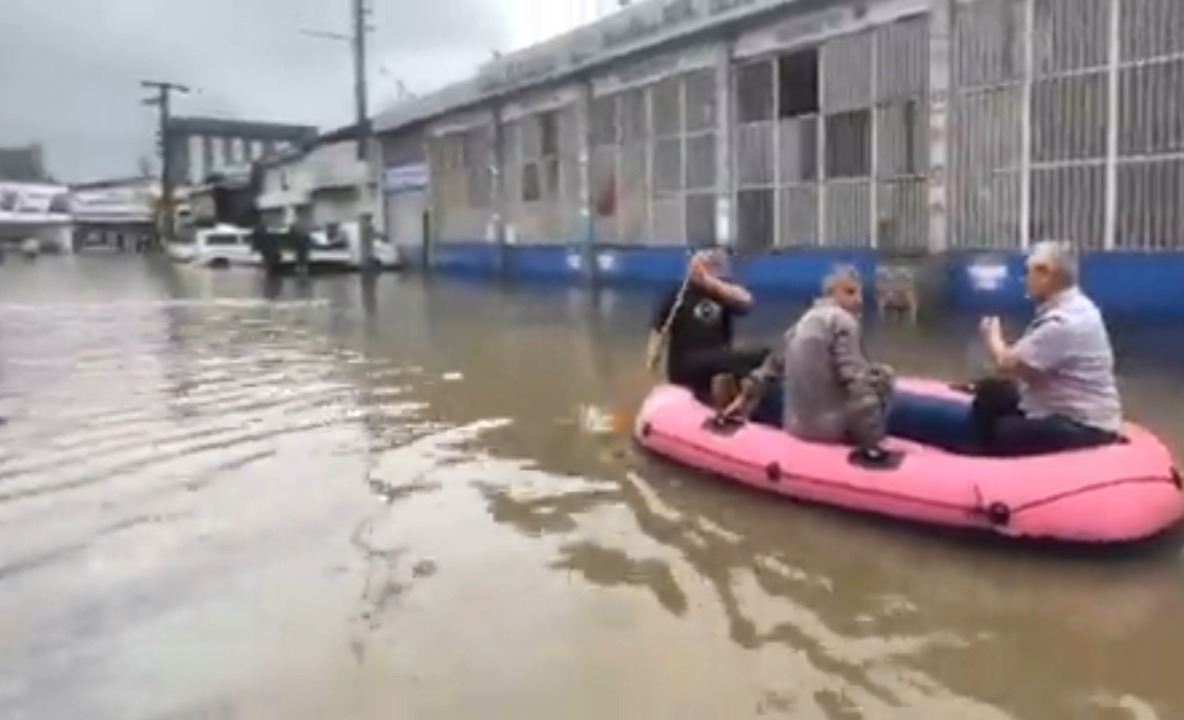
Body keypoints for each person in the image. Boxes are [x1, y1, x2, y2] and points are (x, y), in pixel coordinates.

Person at [972, 240, 1122, 456]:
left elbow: (1007, 363)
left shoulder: (1063, 322)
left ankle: (991, 476)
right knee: (992, 392)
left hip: (1084, 424)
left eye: (1028, 273)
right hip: (1065, 408)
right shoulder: (1078, 306)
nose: (1024, 280)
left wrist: (992, 337)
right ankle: (979, 460)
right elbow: (1029, 369)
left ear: (1046, 275)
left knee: (1006, 432)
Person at [726, 265, 895, 450]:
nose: (859, 300)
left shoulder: (802, 321)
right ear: (831, 293)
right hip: (831, 431)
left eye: (859, 294)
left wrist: (743, 398)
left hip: (794, 426)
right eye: (850, 293)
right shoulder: (844, 322)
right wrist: (873, 441)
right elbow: (856, 381)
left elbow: (770, 367)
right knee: (883, 375)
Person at [646, 249, 766, 409]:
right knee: (725, 359)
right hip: (686, 363)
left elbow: (747, 303)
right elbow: (658, 330)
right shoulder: (677, 294)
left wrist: (709, 282)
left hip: (718, 359)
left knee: (760, 356)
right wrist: (652, 358)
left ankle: (743, 405)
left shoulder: (721, 292)